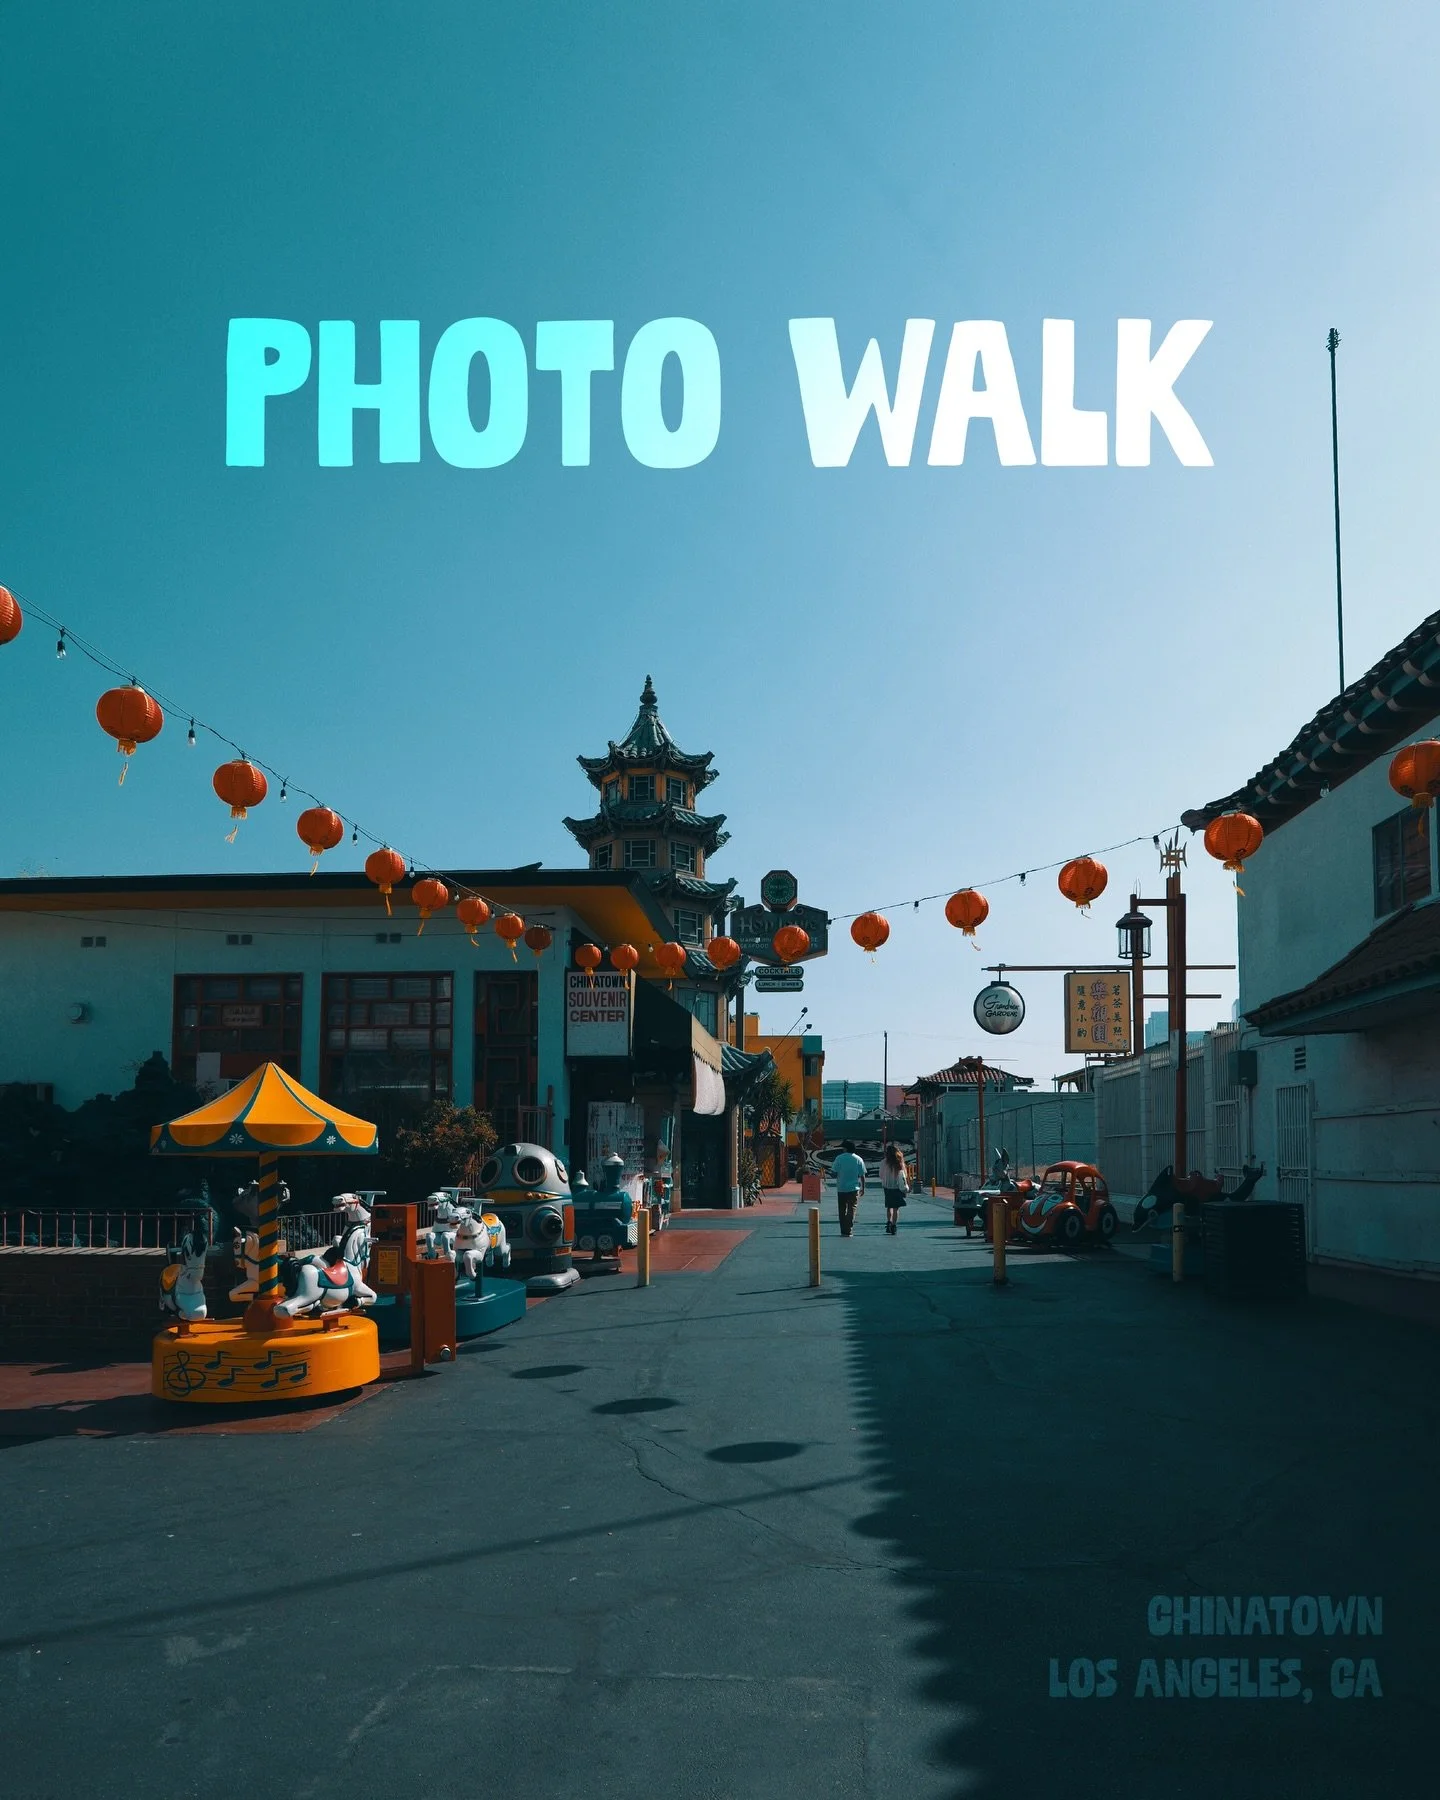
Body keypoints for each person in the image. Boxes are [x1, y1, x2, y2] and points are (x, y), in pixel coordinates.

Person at [831, 1140, 867, 1237]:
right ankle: (849, 1229)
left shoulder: (839, 1158)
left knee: (842, 1210)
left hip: (841, 1188)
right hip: (854, 1188)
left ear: (846, 1148)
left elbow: (833, 1172)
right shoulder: (858, 1159)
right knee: (852, 1208)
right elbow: (862, 1175)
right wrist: (863, 1187)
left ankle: (843, 1230)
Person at [880, 1142, 909, 1234]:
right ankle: (894, 1225)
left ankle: (888, 1222)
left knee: (889, 1207)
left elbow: (880, 1175)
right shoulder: (899, 1162)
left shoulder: (883, 1162)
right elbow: (904, 1175)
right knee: (896, 1208)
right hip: (897, 1187)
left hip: (887, 1187)